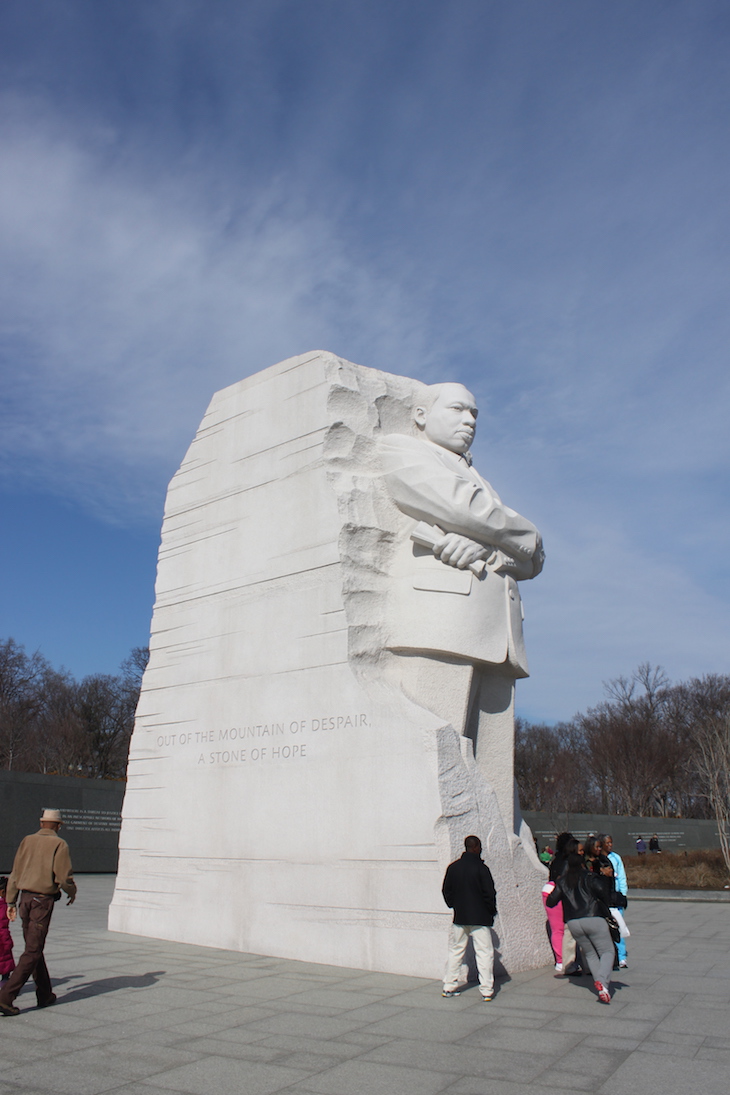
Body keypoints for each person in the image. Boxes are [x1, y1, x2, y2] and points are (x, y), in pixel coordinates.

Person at [380, 383, 544, 828]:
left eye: (475, 414)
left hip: (498, 631)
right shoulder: (400, 449)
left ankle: (498, 854)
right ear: (419, 414)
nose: (470, 421)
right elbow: (467, 509)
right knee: (438, 757)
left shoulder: (478, 476)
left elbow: (533, 560)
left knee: (493, 769)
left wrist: (492, 550)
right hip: (443, 624)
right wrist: (523, 535)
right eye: (457, 409)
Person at [0, 808, 77, 1016]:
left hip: (24, 899)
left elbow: (15, 872)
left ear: (42, 823)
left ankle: (45, 994)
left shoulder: (27, 840)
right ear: (58, 826)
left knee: (34, 947)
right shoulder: (59, 844)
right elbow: (63, 877)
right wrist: (72, 891)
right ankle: (6, 997)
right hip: (42, 902)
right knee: (33, 950)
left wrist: (11, 902)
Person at [546, 852, 621, 1005]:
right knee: (607, 951)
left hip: (573, 922)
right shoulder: (589, 877)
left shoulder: (563, 881)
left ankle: (602, 990)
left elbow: (551, 901)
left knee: (590, 954)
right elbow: (605, 895)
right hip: (593, 917)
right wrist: (607, 878)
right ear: (582, 864)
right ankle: (602, 981)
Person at [441, 835, 497, 1001]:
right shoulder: (482, 868)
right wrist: (491, 911)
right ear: (476, 847)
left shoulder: (453, 867)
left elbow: (446, 891)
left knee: (456, 951)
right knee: (484, 953)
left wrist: (454, 905)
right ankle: (486, 990)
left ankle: (449, 986)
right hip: (480, 918)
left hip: (460, 917)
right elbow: (489, 893)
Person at [600, 833, 629, 969]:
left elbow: (622, 877)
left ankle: (622, 956)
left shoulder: (616, 858)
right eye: (607, 843)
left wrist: (622, 895)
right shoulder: (599, 859)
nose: (610, 845)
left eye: (611, 842)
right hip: (603, 898)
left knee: (619, 927)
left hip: (615, 897)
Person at [0, 877, 15, 982]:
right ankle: (5, 981)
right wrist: (8, 942)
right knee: (5, 960)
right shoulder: (4, 905)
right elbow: (3, 927)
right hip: (2, 939)